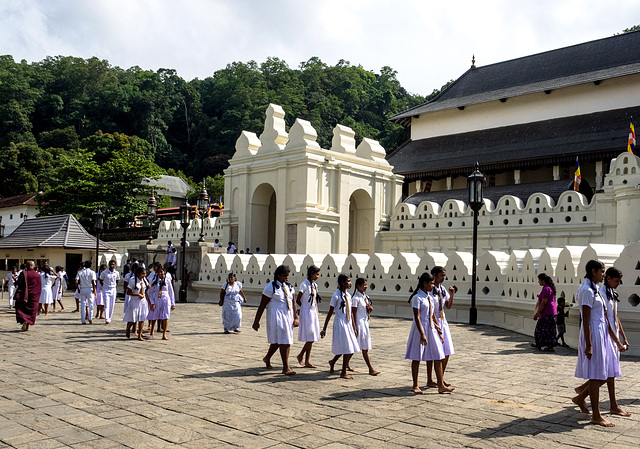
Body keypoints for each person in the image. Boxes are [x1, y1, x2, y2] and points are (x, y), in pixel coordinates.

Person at [571, 260, 620, 427]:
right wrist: (589, 344)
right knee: (595, 374)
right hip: (593, 333)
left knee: (602, 372)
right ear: (593, 271)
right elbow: (586, 320)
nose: (603, 275)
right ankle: (596, 415)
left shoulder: (595, 289)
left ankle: (581, 398)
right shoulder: (586, 291)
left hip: (600, 333)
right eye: (601, 271)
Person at [405, 272, 454, 394]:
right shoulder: (417, 298)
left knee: (438, 355)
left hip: (431, 329)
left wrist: (439, 330)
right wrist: (422, 333)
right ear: (424, 283)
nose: (433, 286)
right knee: (417, 357)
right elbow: (417, 317)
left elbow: (432, 315)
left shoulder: (429, 297)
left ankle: (440, 384)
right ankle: (415, 384)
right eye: (431, 283)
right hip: (420, 329)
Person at [252, 265, 298, 375]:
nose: (286, 278)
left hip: (287, 315)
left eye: (287, 276)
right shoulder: (270, 287)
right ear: (278, 275)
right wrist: (256, 321)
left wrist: (296, 317)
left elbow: (293, 302)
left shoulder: (289, 287)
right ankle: (286, 367)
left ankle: (267, 358)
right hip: (276, 316)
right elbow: (262, 305)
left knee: (280, 340)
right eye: (283, 276)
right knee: (285, 340)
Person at [321, 274, 360, 379]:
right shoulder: (336, 295)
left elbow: (350, 312)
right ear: (343, 283)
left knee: (350, 346)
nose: (350, 283)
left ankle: (333, 361)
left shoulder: (348, 295)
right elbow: (330, 312)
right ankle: (343, 372)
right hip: (340, 322)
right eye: (348, 281)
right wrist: (324, 328)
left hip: (348, 322)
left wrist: (354, 327)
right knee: (347, 347)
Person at [427, 266, 455, 388]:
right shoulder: (429, 289)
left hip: (443, 320)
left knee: (446, 350)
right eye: (441, 275)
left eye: (444, 275)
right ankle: (430, 379)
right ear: (434, 275)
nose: (443, 278)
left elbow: (447, 306)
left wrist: (451, 294)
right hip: (433, 321)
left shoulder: (442, 289)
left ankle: (441, 378)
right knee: (433, 351)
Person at [351, 278, 380, 375]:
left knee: (362, 346)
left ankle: (338, 362)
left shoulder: (365, 297)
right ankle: (370, 368)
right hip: (359, 324)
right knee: (356, 346)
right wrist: (354, 328)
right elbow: (353, 314)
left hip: (365, 323)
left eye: (366, 285)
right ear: (358, 286)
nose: (366, 287)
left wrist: (369, 309)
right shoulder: (355, 299)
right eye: (364, 285)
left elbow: (365, 311)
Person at [296, 265, 321, 368]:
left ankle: (307, 360)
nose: (317, 277)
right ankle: (301, 354)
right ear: (311, 274)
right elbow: (298, 299)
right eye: (316, 274)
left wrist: (315, 310)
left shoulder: (314, 285)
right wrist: (304, 308)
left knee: (313, 336)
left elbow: (314, 300)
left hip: (313, 312)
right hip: (306, 312)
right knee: (310, 335)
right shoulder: (304, 285)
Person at [124, 266, 152, 341]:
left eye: (145, 274)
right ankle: (128, 327)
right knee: (134, 318)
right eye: (143, 274)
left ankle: (139, 335)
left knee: (142, 318)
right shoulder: (133, 281)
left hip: (143, 301)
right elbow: (128, 292)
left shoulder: (144, 280)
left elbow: (146, 290)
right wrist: (137, 294)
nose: (144, 275)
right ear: (138, 274)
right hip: (135, 300)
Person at [532, 273, 558, 351]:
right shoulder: (548, 288)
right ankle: (543, 344)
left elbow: (544, 302)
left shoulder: (546, 288)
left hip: (547, 312)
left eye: (539, 280)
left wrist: (537, 313)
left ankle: (548, 346)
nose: (538, 282)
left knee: (540, 329)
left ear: (543, 280)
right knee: (549, 330)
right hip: (551, 312)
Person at [148, 266, 175, 340]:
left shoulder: (167, 281)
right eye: (159, 272)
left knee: (166, 316)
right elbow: (150, 293)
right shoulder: (154, 281)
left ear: (164, 272)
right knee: (155, 314)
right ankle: (152, 330)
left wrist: (173, 303)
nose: (160, 273)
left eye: (162, 272)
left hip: (165, 298)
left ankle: (164, 334)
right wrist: (152, 302)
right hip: (156, 298)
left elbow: (171, 291)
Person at [14, 261, 43, 331]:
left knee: (22, 308)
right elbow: (39, 287)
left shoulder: (24, 273)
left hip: (24, 296)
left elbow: (19, 283)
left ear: (26, 266)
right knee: (31, 311)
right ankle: (27, 325)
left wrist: (15, 280)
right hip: (34, 296)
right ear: (34, 266)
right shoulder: (38, 275)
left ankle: (25, 321)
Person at [100, 260, 120, 324]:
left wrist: (114, 286)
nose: (112, 266)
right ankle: (107, 319)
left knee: (112, 305)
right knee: (106, 304)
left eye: (113, 264)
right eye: (111, 264)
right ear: (109, 265)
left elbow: (117, 281)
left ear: (115, 265)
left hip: (113, 289)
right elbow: (101, 279)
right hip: (106, 289)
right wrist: (104, 286)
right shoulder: (104, 272)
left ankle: (110, 318)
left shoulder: (116, 273)